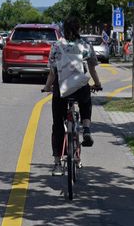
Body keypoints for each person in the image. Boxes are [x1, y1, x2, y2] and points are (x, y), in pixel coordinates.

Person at [43, 16, 102, 175]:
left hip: (61, 89)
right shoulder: (85, 45)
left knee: (57, 124)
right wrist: (97, 84)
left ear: (63, 29)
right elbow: (92, 69)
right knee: (85, 102)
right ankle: (87, 129)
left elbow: (52, 72)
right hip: (79, 86)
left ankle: (57, 163)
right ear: (79, 28)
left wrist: (47, 87)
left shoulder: (56, 46)